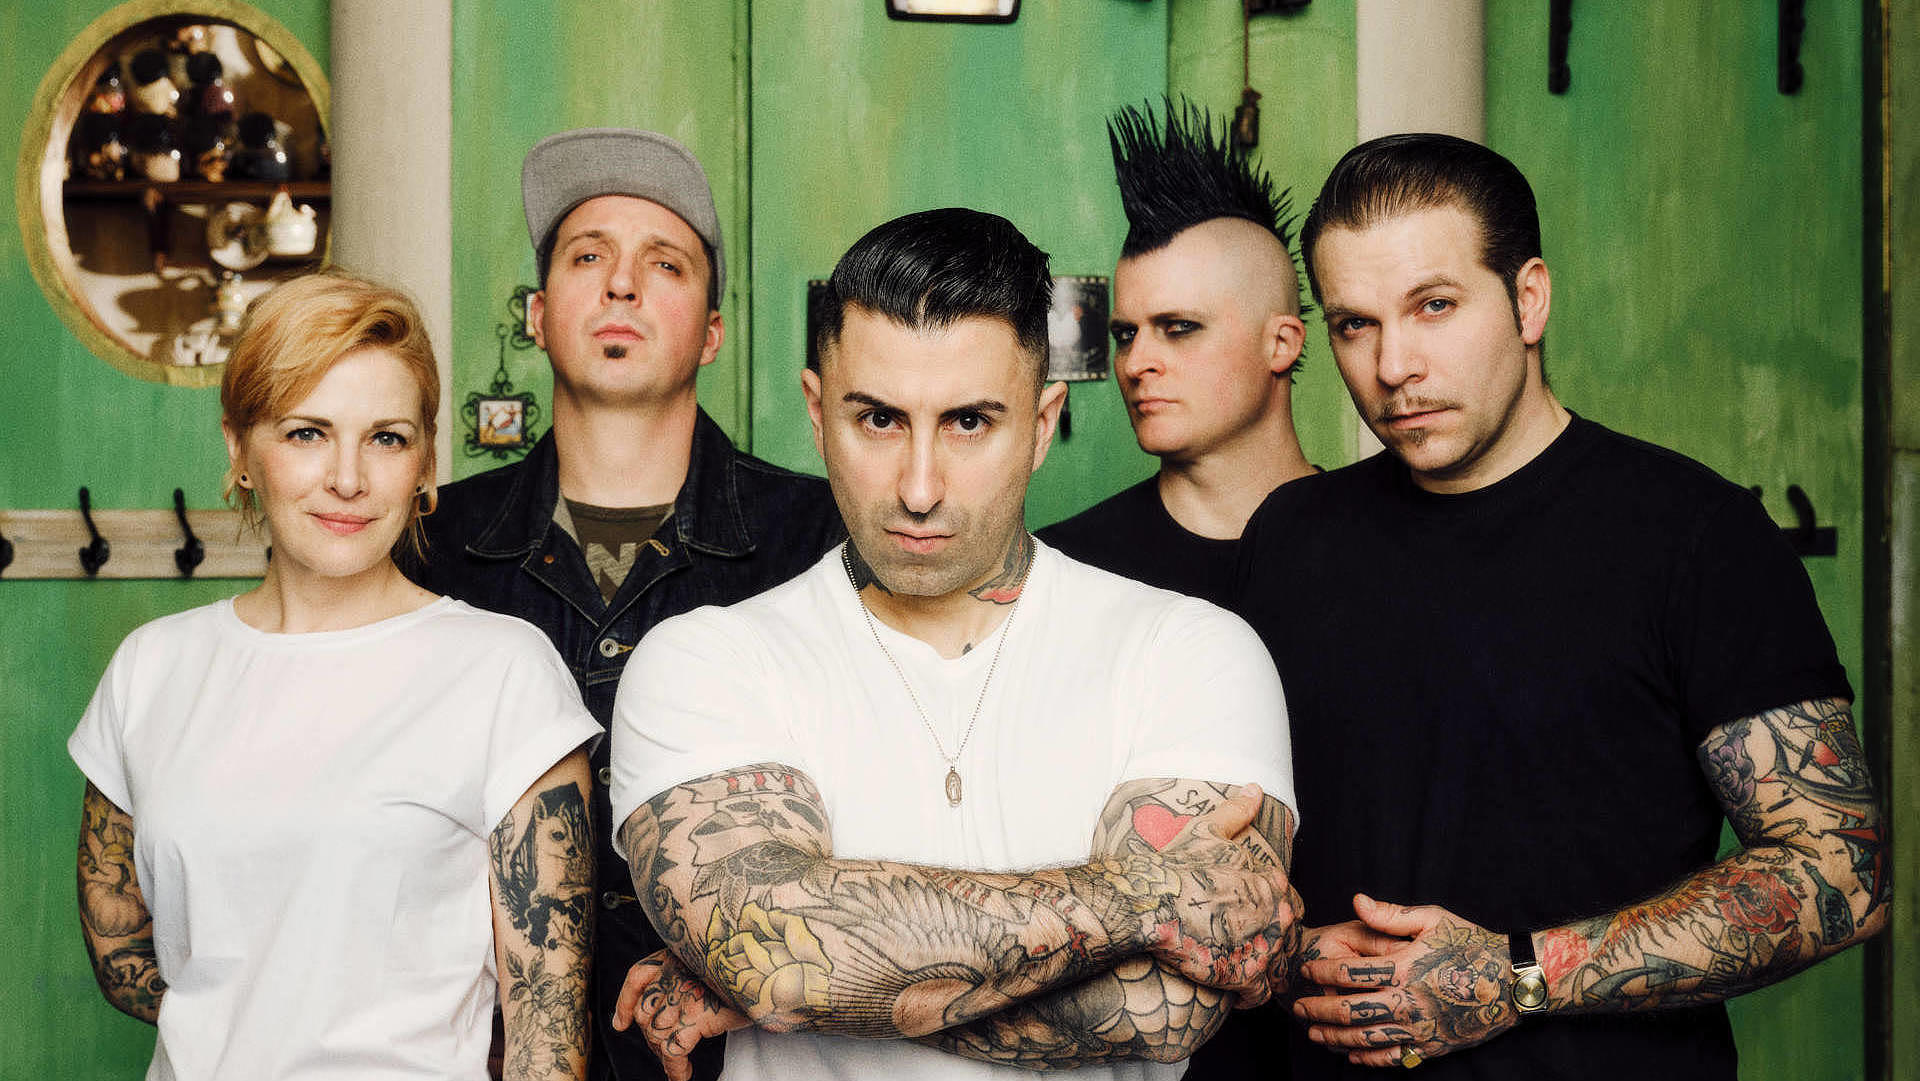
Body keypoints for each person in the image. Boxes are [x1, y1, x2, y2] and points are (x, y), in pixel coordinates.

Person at [1233, 133, 1887, 1078]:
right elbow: (1241, 860)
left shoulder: (1695, 534)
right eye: (1354, 324)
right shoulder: (1291, 537)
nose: (1394, 364)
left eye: (1434, 306)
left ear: (1529, 299)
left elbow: (1840, 871)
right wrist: (1288, 952)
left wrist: (1517, 977)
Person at [605, 208, 1301, 1081]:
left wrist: (818, 980)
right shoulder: (706, 662)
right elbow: (775, 963)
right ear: (818, 412)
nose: (920, 486)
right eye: (879, 420)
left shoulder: (1190, 653)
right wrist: (1145, 895)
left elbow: (1168, 1006)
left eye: (969, 422)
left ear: (1042, 423)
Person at [70, 272, 599, 1081]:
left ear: (425, 462)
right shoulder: (152, 668)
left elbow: (548, 1043)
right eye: (306, 432)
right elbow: (118, 947)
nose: (348, 478)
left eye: (386, 438)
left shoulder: (503, 671)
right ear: (240, 448)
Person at [412, 128, 843, 1080]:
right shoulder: (434, 541)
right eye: (588, 256)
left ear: (713, 332)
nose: (621, 286)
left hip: (742, 1055)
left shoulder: (818, 537)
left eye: (665, 263)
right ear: (537, 315)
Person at [1038, 99, 1315, 606]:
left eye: (1180, 328)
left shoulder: (1382, 545)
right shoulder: (1063, 571)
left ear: (1280, 344)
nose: (1135, 363)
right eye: (1125, 334)